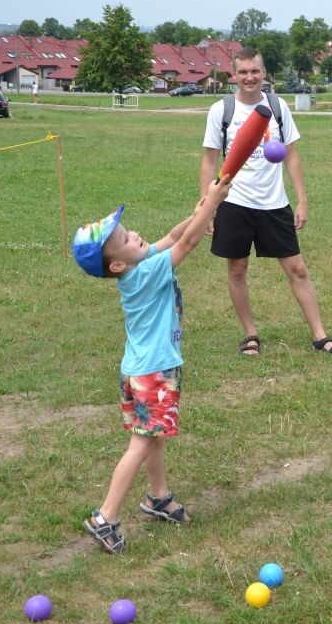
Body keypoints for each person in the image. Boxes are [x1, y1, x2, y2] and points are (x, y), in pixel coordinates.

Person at [72, 176, 234, 554]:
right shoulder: (146, 273)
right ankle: (106, 516)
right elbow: (187, 244)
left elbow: (176, 236)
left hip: (138, 371)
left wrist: (198, 213)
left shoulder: (137, 265)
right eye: (125, 239)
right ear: (116, 264)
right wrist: (212, 203)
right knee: (141, 444)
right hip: (154, 372)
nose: (135, 235)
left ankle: (158, 497)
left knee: (153, 436)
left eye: (128, 231)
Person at [200, 47, 332, 357]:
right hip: (234, 202)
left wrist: (301, 201)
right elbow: (210, 160)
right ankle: (250, 334)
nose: (249, 77)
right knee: (237, 269)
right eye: (243, 72)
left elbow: (291, 156)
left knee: (298, 269)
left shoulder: (278, 107)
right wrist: (207, 206)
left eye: (255, 71)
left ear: (264, 73)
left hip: (274, 204)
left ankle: (320, 336)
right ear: (234, 75)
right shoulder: (221, 110)